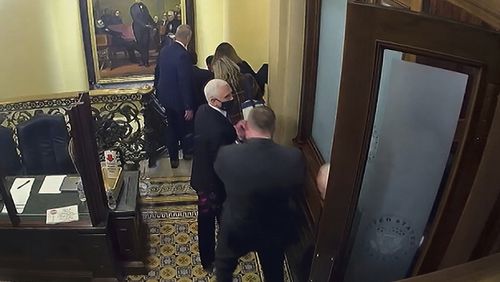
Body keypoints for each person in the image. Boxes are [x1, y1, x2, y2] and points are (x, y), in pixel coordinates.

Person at [214, 106, 305, 282]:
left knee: (224, 267)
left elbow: (221, 174)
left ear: (246, 126)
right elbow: (296, 184)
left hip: (237, 226)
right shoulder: (293, 158)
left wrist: (240, 142)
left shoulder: (227, 155)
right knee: (273, 271)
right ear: (274, 128)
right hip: (273, 229)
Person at [190, 79, 238, 272]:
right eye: (227, 97)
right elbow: (227, 159)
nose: (232, 99)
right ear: (214, 100)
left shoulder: (203, 110)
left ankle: (208, 258)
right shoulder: (219, 131)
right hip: (214, 185)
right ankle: (215, 259)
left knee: (206, 220)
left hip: (202, 176)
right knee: (217, 220)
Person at [156, 24, 194, 168]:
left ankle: (173, 159)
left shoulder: (165, 50)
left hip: (165, 98)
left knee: (171, 128)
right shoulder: (183, 55)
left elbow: (157, 73)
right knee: (184, 127)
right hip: (179, 100)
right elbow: (184, 82)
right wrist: (188, 106)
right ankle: (187, 153)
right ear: (188, 37)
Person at [212, 56, 263, 124]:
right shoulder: (248, 78)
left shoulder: (221, 88)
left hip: (233, 124)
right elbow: (259, 96)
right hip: (252, 120)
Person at [130, 0, 155, 67]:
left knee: (146, 44)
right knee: (141, 45)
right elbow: (136, 19)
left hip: (146, 29)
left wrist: (153, 24)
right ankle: (143, 60)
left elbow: (148, 16)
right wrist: (145, 25)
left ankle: (146, 61)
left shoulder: (144, 6)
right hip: (138, 28)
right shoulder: (133, 8)